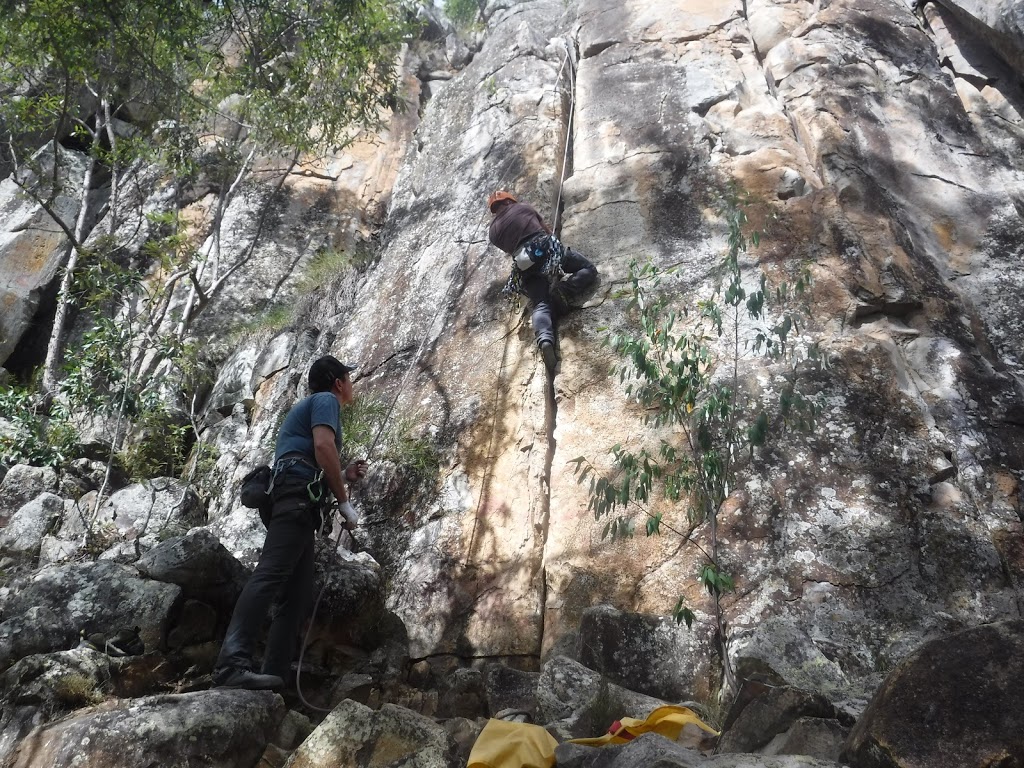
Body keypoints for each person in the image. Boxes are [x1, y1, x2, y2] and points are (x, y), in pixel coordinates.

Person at [213, 355, 368, 690]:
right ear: (338, 382)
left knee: (294, 595)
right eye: (348, 378)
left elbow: (311, 459)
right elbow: (323, 446)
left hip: (295, 498)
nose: (350, 384)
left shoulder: (313, 404)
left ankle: (276, 679)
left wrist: (342, 475)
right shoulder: (326, 400)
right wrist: (343, 501)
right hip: (296, 499)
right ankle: (231, 665)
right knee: (269, 575)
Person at [487, 190, 598, 371]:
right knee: (588, 269)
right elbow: (547, 231)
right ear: (508, 202)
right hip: (546, 250)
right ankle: (562, 293)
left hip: (524, 265)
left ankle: (545, 340)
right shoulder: (522, 207)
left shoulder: (493, 233)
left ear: (494, 209)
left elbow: (510, 250)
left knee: (539, 304)